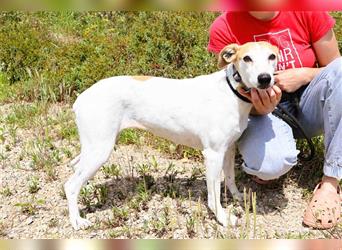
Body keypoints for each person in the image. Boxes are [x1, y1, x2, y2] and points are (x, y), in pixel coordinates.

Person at [208, 11, 341, 229]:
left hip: (309, 102)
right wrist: (259, 110)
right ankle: (274, 161)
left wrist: (304, 75)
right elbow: (227, 91)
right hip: (261, 114)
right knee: (270, 166)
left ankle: (330, 183)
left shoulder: (307, 10)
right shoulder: (225, 26)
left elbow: (336, 71)